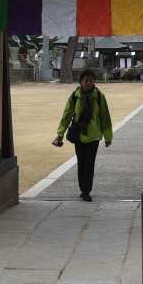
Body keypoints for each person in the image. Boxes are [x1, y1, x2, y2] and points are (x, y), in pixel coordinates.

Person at [52, 68, 113, 200]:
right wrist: (60, 134)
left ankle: (86, 191)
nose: (88, 83)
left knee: (89, 164)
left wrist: (108, 136)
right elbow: (66, 115)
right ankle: (82, 187)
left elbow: (105, 117)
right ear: (81, 82)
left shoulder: (99, 96)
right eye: (86, 80)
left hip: (94, 136)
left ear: (94, 81)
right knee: (81, 163)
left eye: (91, 80)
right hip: (79, 136)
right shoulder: (75, 96)